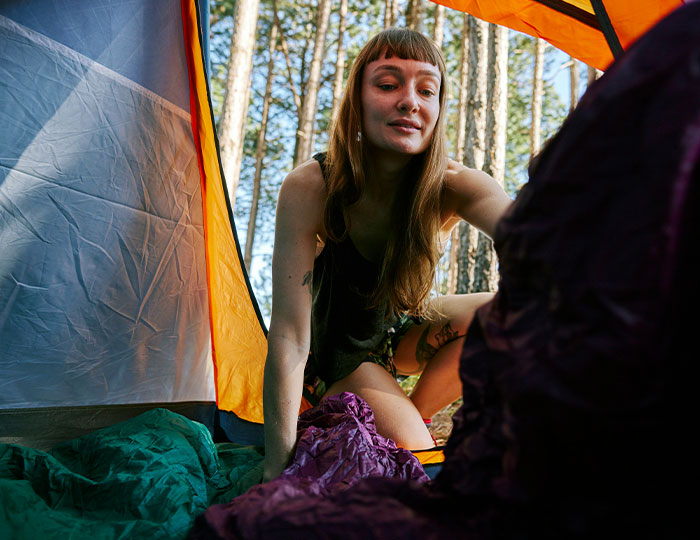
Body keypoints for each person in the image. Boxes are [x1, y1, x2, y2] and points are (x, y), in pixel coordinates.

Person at [262, 28, 512, 482]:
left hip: (399, 333)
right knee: (417, 469)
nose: (409, 101)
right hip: (338, 356)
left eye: (426, 90)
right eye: (387, 83)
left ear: (438, 109)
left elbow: (537, 238)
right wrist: (275, 466)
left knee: (509, 313)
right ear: (357, 98)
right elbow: (289, 338)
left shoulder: (455, 186)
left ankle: (400, 416)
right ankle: (393, 422)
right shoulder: (313, 187)